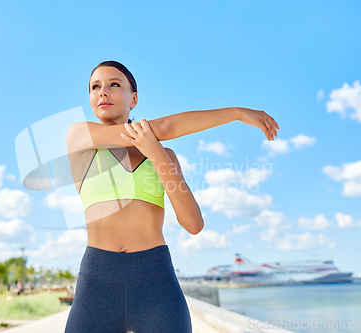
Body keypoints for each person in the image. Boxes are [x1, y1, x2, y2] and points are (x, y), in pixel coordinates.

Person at [64, 60, 280, 333]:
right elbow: (164, 128)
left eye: (114, 84)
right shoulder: (79, 137)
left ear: (134, 98)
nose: (103, 92)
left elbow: (193, 224)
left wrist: (156, 154)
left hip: (156, 281)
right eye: (95, 87)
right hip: (98, 283)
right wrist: (236, 113)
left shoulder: (167, 157)